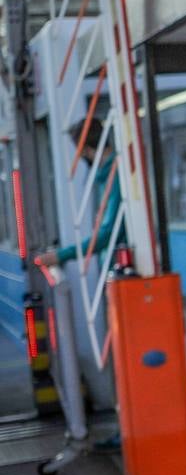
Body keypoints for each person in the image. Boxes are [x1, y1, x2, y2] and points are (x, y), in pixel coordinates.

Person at [33, 114, 123, 453]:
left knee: (120, 359)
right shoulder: (107, 175)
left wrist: (64, 255)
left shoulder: (111, 175)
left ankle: (127, 429)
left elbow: (107, 233)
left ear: (84, 150)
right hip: (111, 275)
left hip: (118, 277)